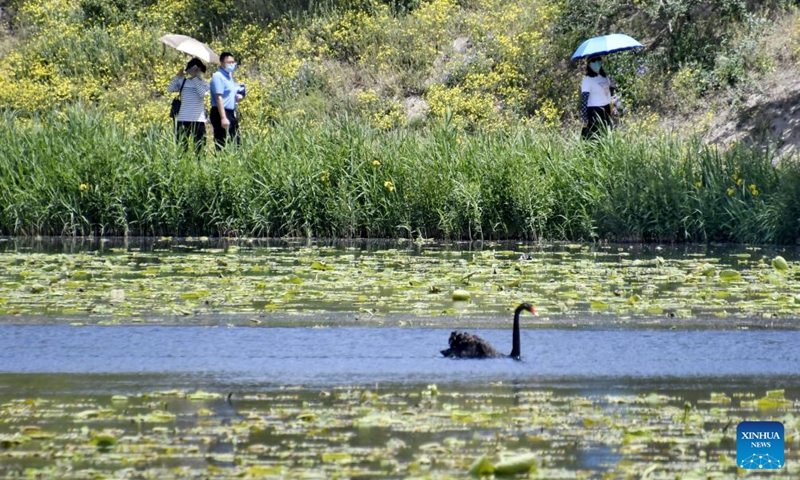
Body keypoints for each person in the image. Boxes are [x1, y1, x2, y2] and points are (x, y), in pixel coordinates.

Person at [167, 58, 209, 156]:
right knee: (182, 147)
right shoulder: (183, 82)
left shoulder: (204, 83)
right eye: (194, 69)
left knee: (200, 148)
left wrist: (194, 77)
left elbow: (202, 94)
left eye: (197, 70)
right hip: (183, 118)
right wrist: (178, 76)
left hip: (198, 120)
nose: (197, 72)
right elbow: (170, 89)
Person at [210, 52, 245, 150]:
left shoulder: (229, 76)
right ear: (222, 63)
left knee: (236, 141)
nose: (232, 64)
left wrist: (238, 96)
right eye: (229, 62)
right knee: (221, 141)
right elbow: (218, 97)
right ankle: (220, 162)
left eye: (233, 62)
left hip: (231, 112)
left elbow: (229, 93)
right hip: (220, 112)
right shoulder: (218, 76)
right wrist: (223, 118)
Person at [580, 55, 616, 139]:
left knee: (606, 135)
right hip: (594, 111)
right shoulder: (587, 80)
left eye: (598, 59)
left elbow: (607, 94)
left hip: (606, 109)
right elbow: (584, 99)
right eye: (593, 60)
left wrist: (612, 87)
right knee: (594, 137)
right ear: (589, 64)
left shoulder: (604, 77)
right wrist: (585, 118)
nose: (596, 62)